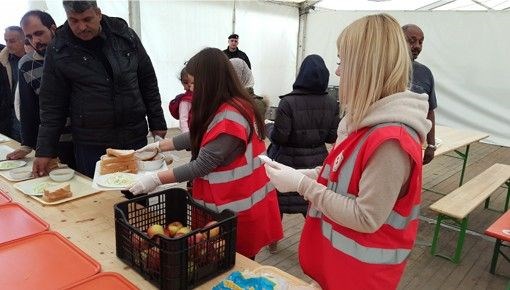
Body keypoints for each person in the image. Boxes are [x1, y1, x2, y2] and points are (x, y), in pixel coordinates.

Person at [263, 14, 431, 289]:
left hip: (360, 278)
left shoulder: (391, 140)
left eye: (342, 62)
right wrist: (302, 174)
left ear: (366, 67)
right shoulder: (366, 124)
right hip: (340, 271)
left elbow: (366, 217)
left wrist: (304, 185)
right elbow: (343, 177)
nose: (338, 72)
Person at [130, 47, 283, 259]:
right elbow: (201, 134)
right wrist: (160, 146)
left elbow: (202, 164)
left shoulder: (231, 115)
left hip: (235, 209)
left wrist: (156, 178)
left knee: (233, 264)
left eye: (194, 83)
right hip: (228, 205)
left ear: (210, 81)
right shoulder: (229, 104)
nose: (191, 89)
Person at [32, 1, 167, 178]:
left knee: (137, 197)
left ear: (98, 13)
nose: (81, 27)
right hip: (92, 143)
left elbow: (147, 80)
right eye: (74, 21)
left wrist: (157, 122)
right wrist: (45, 150)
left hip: (133, 135)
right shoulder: (59, 49)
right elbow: (52, 104)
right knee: (98, 198)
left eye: (87, 19)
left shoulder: (124, 35)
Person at [265, 54, 339, 253]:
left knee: (278, 203)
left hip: (286, 161)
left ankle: (273, 243)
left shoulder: (288, 103)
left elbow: (280, 137)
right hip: (317, 162)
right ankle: (316, 246)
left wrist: (268, 128)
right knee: (312, 202)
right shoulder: (332, 104)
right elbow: (333, 137)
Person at [7, 10, 75, 169]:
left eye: (39, 33)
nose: (35, 41)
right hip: (55, 141)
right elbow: (28, 107)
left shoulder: (75, 54)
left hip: (87, 138)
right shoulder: (26, 64)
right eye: (29, 37)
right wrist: (27, 144)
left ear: (53, 28)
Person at [403, 24, 438, 165]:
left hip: (415, 144)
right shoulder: (383, 68)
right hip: (386, 143)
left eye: (421, 41)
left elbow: (430, 110)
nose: (417, 46)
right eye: (411, 41)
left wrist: (431, 145)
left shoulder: (425, 73)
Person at [0, 26, 25, 142]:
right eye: (6, 40)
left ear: (24, 39)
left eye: (12, 41)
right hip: (12, 118)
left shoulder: (34, 59)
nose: (8, 44)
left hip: (31, 116)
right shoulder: (4, 60)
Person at [175, 67, 193, 133]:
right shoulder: (185, 100)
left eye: (193, 82)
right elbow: (183, 120)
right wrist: (187, 136)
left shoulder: (203, 95)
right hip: (191, 134)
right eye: (185, 82)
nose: (189, 85)